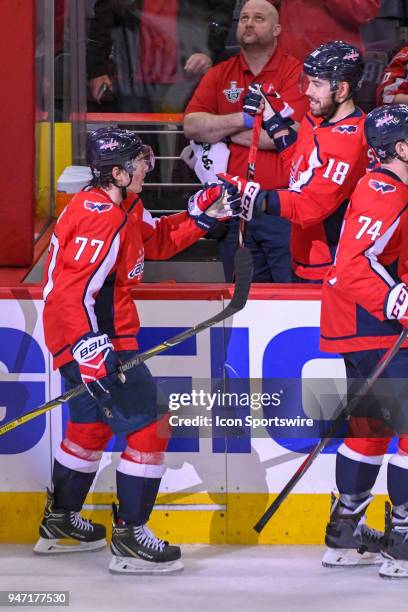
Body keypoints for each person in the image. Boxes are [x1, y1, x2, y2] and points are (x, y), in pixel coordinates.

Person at [34, 127, 239, 574]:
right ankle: (129, 537)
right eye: (138, 161)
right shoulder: (97, 217)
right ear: (115, 173)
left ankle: (61, 522)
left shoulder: (124, 204)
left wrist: (204, 218)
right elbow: (69, 293)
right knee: (151, 428)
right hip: (95, 339)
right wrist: (90, 349)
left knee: (89, 429)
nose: (148, 165)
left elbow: (157, 242)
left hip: (93, 336)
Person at [318, 104, 408, 579]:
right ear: (400, 147)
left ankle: (345, 532)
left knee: (370, 429)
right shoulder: (382, 189)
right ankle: (403, 541)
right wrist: (397, 301)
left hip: (364, 323)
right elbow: (354, 264)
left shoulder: (392, 186)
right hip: (372, 324)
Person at [220, 40, 369, 283]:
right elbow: (298, 169)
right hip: (303, 254)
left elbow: (310, 207)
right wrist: (272, 117)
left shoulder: (349, 141)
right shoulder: (317, 117)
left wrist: (257, 198)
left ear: (341, 90)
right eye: (307, 81)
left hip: (330, 268)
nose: (307, 91)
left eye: (317, 84)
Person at [184, 0, 308, 282]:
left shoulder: (294, 72)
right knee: (244, 302)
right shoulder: (219, 73)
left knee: (292, 298)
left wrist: (221, 128)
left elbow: (290, 136)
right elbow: (191, 126)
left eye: (258, 18)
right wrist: (247, 119)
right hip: (234, 208)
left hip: (283, 206)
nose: (248, 23)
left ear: (277, 29)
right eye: (244, 18)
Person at [86, 0, 235, 111]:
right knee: (136, 147)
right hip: (134, 80)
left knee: (189, 146)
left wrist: (208, 50)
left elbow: (222, 12)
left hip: (190, 77)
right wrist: (98, 70)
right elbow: (103, 18)